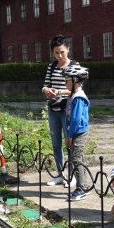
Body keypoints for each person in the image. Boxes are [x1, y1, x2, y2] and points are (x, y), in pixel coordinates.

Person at [41, 35, 79, 187]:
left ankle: (71, 175)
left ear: (68, 49)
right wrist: (46, 90)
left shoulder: (74, 66)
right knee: (56, 143)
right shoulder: (51, 66)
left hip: (67, 109)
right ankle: (60, 174)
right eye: (56, 53)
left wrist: (59, 92)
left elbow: (75, 90)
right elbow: (44, 85)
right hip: (53, 108)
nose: (60, 56)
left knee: (69, 142)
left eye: (62, 52)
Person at [63, 64, 92, 202]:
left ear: (76, 80)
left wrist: (69, 135)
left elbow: (75, 118)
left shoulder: (79, 97)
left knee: (76, 159)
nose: (65, 82)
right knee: (79, 158)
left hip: (78, 132)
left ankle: (81, 188)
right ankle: (84, 185)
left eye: (67, 79)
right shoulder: (74, 95)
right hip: (75, 131)